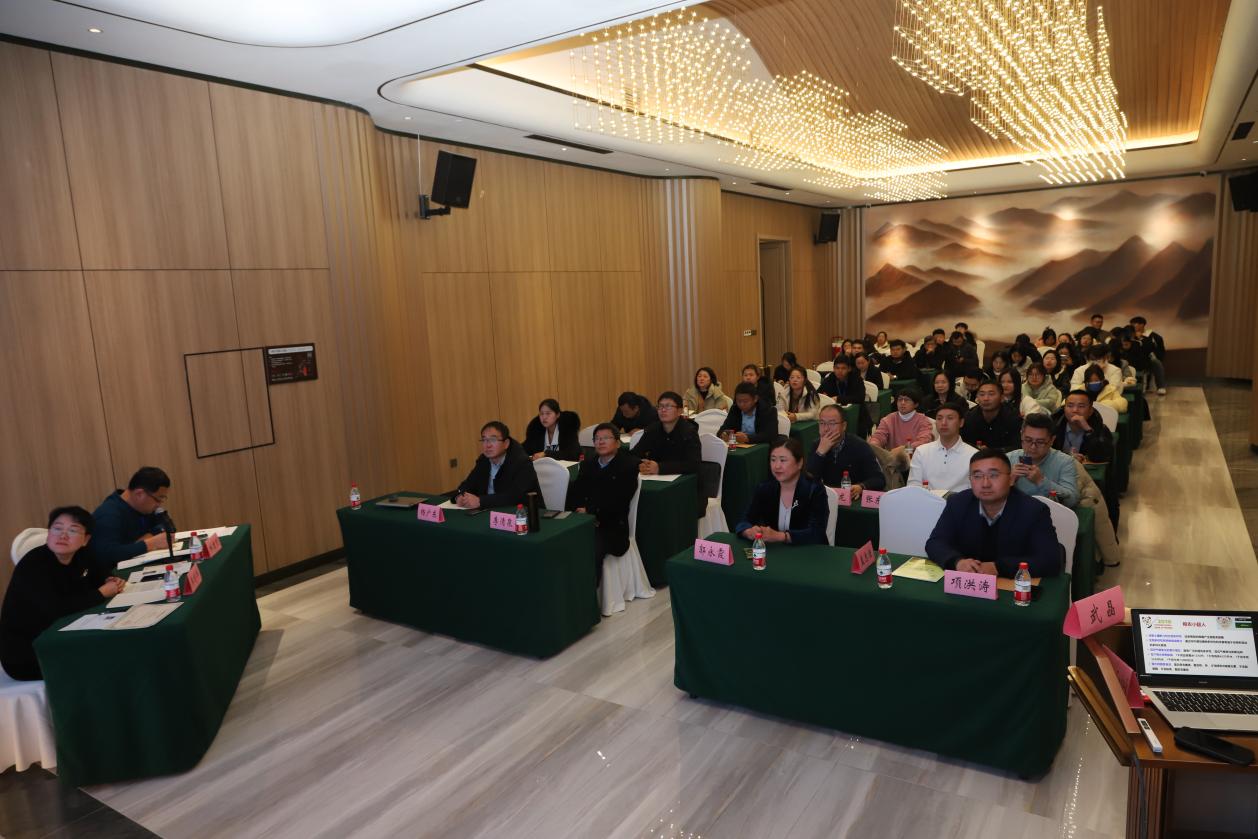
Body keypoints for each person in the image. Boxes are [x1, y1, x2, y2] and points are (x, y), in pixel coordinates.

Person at [1, 507, 126, 680]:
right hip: (29, 652)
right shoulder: (33, 564)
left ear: (86, 540)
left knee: (117, 648)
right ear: (48, 533)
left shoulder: (81, 554)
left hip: (65, 635)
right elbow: (56, 608)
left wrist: (110, 580)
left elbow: (101, 573)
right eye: (57, 528)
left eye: (73, 530)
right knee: (106, 660)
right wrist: (100, 593)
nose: (63, 536)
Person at [925, 449, 1063, 578]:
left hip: (1010, 586)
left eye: (993, 475)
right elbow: (935, 543)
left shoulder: (1033, 510)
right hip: (968, 584)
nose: (985, 484)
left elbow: (1050, 560)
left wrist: (999, 567)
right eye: (977, 476)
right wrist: (957, 562)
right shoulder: (958, 503)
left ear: (1011, 479)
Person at [567, 423, 641, 583]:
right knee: (561, 541)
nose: (600, 442)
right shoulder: (588, 464)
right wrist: (580, 510)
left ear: (618, 443)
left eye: (606, 438)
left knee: (589, 547)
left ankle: (588, 593)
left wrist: (591, 511)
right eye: (597, 439)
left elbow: (619, 501)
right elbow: (576, 493)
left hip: (612, 527)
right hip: (584, 521)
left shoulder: (628, 466)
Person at [734, 436, 829, 546]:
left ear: (799, 463)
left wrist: (781, 537)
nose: (777, 466)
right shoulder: (765, 488)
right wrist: (748, 531)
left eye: (783, 460)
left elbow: (817, 533)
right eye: (773, 460)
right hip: (776, 551)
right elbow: (744, 521)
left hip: (808, 551)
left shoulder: (814, 489)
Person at [633, 391, 705, 516]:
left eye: (668, 406)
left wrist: (660, 468)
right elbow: (634, 454)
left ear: (679, 411)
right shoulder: (652, 430)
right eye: (660, 406)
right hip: (656, 481)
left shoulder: (689, 432)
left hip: (686, 487)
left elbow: (693, 464)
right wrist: (640, 463)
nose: (663, 410)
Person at [91, 466, 174, 574]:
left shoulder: (143, 507)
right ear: (139, 494)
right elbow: (108, 555)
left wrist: (142, 542)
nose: (159, 504)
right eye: (158, 499)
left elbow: (166, 528)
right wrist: (149, 544)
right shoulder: (108, 514)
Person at [455, 421, 541, 509]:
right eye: (484, 440)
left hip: (522, 512)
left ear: (506, 443)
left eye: (493, 440)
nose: (488, 445)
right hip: (489, 511)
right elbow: (467, 484)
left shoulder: (521, 462)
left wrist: (480, 501)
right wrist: (460, 495)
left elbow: (516, 496)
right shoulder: (483, 460)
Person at [805, 404, 885, 498]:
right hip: (827, 498)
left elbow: (879, 479)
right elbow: (807, 481)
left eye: (832, 423)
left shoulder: (860, 446)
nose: (826, 429)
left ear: (844, 426)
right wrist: (820, 453)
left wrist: (861, 486)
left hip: (852, 498)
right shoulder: (817, 445)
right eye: (822, 423)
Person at [1005, 414, 1078, 506]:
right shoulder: (1009, 458)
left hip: (1050, 512)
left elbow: (1072, 500)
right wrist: (1009, 481)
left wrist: (1041, 481)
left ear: (1052, 440)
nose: (1033, 447)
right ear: (1021, 435)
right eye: (1028, 440)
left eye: (1040, 442)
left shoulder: (1065, 462)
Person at [906, 401, 977, 493]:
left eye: (950, 418)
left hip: (960, 501)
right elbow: (913, 486)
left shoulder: (974, 455)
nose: (943, 423)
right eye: (939, 418)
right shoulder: (922, 451)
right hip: (927, 500)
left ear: (961, 422)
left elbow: (976, 490)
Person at [868, 387, 933, 477]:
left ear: (916, 404)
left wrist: (903, 449)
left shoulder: (923, 420)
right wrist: (874, 445)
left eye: (906, 400)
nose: (902, 403)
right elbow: (879, 436)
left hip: (915, 463)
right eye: (899, 400)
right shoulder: (888, 419)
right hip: (893, 463)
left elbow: (924, 441)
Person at [1052, 389, 1115, 463]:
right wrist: (1068, 457)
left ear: (1090, 411)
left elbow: (1103, 457)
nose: (1075, 410)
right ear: (1064, 409)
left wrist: (1088, 430)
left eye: (1081, 406)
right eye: (1070, 406)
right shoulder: (1053, 426)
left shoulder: (1100, 429)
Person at [961, 380, 1021, 451]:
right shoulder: (969, 417)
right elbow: (962, 443)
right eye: (982, 394)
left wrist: (992, 451)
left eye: (991, 394)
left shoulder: (1012, 417)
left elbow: (1018, 446)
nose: (986, 398)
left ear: (1002, 398)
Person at [1130, 316, 1167, 395]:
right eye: (1132, 324)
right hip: (1134, 358)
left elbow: (1160, 351)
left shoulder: (1154, 336)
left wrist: (1141, 339)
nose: (1132, 326)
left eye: (1134, 324)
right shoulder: (1130, 336)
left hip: (1148, 359)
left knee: (1156, 362)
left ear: (1142, 325)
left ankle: (1161, 386)